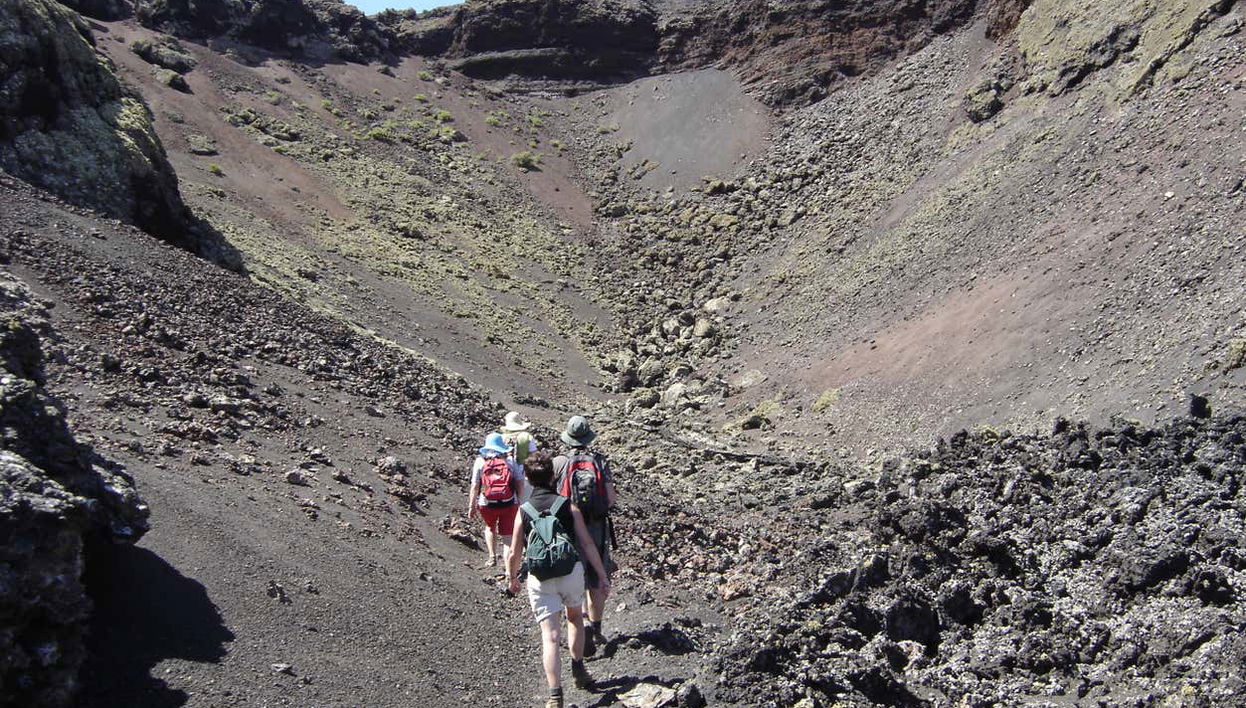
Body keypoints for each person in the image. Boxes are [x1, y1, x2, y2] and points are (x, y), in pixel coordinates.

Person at [507, 452, 609, 708]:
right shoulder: (567, 505)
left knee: (550, 636)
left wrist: (511, 577)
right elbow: (586, 543)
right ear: (553, 476)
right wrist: (602, 574)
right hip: (570, 572)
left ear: (529, 479)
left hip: (540, 578)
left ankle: (555, 695)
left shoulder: (524, 510)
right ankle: (578, 668)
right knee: (574, 618)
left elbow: (514, 551)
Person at [552, 416, 616, 657]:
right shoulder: (599, 461)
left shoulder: (559, 462)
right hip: (596, 528)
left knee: (572, 577)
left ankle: (579, 624)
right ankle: (596, 627)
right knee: (598, 578)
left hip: (568, 528)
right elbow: (611, 498)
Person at [467, 432, 525, 568]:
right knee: (507, 537)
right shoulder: (509, 461)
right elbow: (519, 482)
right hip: (509, 502)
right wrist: (521, 501)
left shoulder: (480, 461)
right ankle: (507, 569)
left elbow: (475, 485)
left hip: (486, 503)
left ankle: (492, 556)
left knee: (490, 528)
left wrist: (472, 506)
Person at [500, 411, 538, 503]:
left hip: (505, 476)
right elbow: (534, 456)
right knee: (524, 505)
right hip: (523, 475)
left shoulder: (501, 437)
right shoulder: (526, 437)